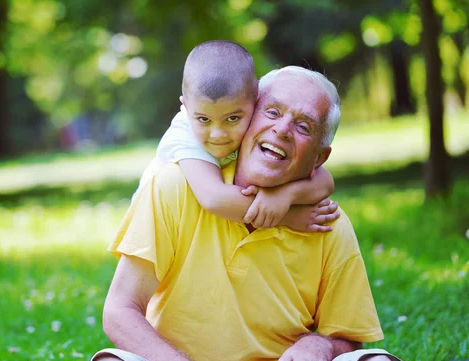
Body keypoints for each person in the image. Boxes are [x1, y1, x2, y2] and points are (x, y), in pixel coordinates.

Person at [91, 66, 408, 361]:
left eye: (303, 127)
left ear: (319, 158)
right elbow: (120, 311)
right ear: (244, 119)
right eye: (272, 112)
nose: (282, 129)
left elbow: (349, 339)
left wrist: (320, 344)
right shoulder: (176, 186)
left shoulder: (326, 222)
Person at [136, 40, 337, 231]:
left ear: (255, 101)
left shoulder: (249, 119)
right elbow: (214, 198)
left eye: (232, 119)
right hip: (151, 226)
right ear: (186, 107)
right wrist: (288, 217)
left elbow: (325, 181)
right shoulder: (184, 134)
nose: (217, 134)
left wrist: (285, 196)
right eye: (204, 120)